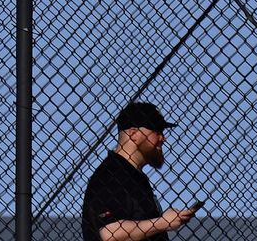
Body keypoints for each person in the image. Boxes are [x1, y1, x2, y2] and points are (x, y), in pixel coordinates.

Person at [80, 102, 197, 241]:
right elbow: (110, 233)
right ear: (133, 133)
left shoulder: (133, 175)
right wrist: (163, 222)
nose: (163, 138)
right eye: (157, 130)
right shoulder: (111, 173)